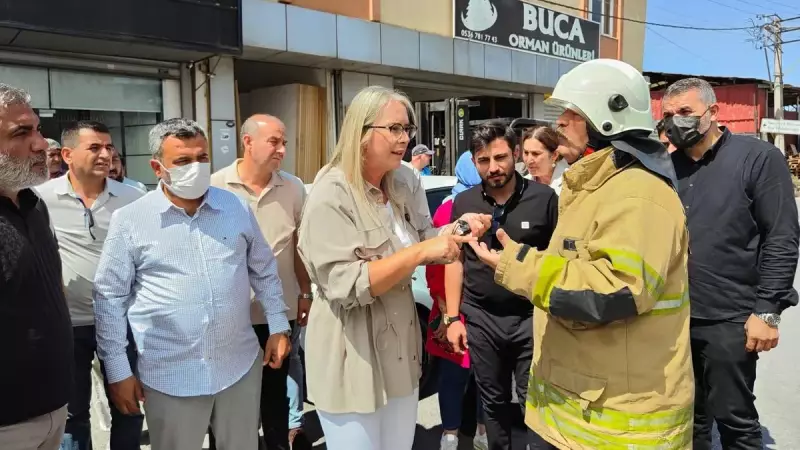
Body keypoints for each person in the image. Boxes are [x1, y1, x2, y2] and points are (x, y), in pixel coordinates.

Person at [468, 59, 694, 449]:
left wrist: (517, 266)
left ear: (606, 119)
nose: (561, 123)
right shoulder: (595, 188)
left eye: (572, 113)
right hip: (572, 412)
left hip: (616, 429)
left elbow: (616, 290)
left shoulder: (637, 193)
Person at [297, 86, 488, 450]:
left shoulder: (404, 180)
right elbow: (346, 285)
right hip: (351, 354)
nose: (404, 139)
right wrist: (419, 253)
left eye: (408, 129)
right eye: (394, 129)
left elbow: (425, 237)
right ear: (362, 131)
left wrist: (458, 229)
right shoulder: (331, 193)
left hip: (400, 351)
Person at [93, 118, 292, 450]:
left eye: (202, 158)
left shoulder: (234, 207)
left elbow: (264, 269)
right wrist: (117, 370)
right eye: (183, 161)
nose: (196, 168)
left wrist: (278, 325)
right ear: (158, 167)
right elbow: (109, 298)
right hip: (170, 375)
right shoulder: (131, 220)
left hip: (238, 368)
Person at [662, 77, 800, 450]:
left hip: (730, 318)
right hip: (673, 318)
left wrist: (768, 310)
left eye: (686, 112)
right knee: (687, 419)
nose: (677, 121)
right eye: (669, 115)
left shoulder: (757, 158)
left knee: (735, 420)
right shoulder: (665, 169)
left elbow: (782, 238)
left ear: (714, 112)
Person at [445, 121, 558, 450]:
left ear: (516, 154)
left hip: (530, 317)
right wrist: (452, 319)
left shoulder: (545, 199)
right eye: (483, 161)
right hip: (482, 318)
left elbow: (559, 262)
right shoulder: (463, 203)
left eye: (501, 158)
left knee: (534, 403)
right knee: (492, 403)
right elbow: (455, 260)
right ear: (474, 161)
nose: (493, 168)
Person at [36, 121, 145, 450]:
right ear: (67, 154)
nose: (105, 154)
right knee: (72, 414)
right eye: (95, 147)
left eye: (109, 147)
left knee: (128, 407)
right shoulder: (40, 199)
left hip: (124, 323)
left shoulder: (134, 198)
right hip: (68, 325)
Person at [210, 113, 312, 450]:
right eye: (274, 141)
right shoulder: (215, 187)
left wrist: (306, 292)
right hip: (228, 318)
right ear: (247, 141)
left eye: (284, 142)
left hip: (276, 316)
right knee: (229, 406)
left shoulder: (294, 188)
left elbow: (300, 247)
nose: (282, 149)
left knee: (274, 399)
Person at [0, 83, 73, 450]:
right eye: (21, 133)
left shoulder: (34, 203)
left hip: (52, 410)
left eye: (38, 130)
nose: (43, 144)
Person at [425, 150, 488, 450]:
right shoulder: (449, 208)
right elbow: (435, 262)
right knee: (455, 374)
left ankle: (473, 430)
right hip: (452, 308)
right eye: (480, 162)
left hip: (475, 308)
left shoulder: (493, 202)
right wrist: (443, 308)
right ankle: (454, 432)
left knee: (482, 376)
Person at [520, 125, 569, 194]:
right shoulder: (522, 185)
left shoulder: (570, 182)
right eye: (526, 153)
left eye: (536, 154)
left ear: (554, 155)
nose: (529, 160)